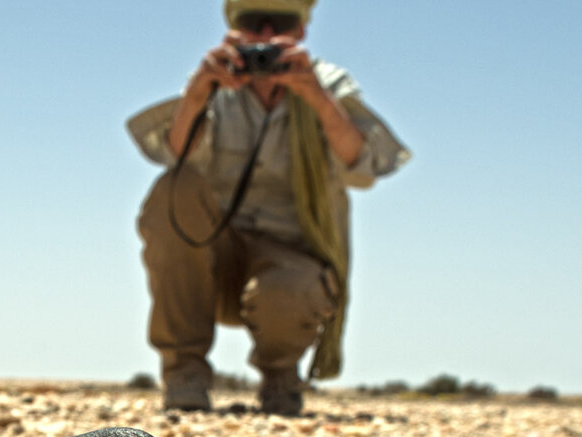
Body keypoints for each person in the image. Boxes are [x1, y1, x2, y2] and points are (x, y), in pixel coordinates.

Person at [127, 0, 409, 415]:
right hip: (214, 260)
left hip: (290, 263)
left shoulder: (328, 84)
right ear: (234, 31)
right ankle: (184, 370)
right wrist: (199, 92)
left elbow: (364, 167)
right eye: (252, 24)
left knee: (287, 288)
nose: (264, 35)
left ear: (301, 32)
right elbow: (173, 153)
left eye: (279, 23)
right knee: (173, 188)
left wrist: (315, 96)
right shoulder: (217, 80)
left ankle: (281, 376)